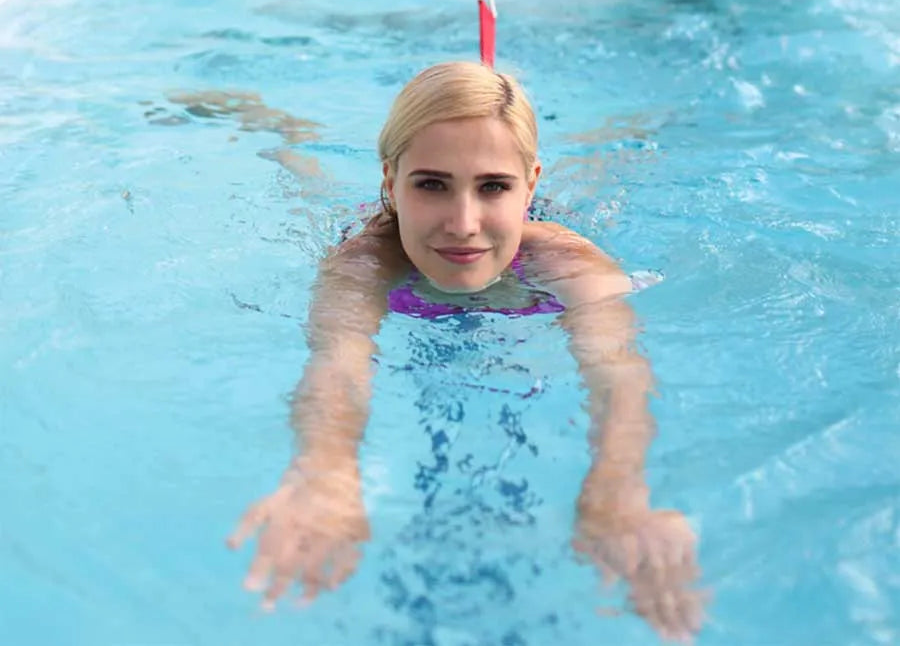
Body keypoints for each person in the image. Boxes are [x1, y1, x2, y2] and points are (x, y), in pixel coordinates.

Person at [227, 61, 704, 641]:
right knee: (296, 159)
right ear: (390, 183)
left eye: (495, 187)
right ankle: (267, 120)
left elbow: (619, 376)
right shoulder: (364, 262)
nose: (463, 223)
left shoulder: (570, 264)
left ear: (530, 185)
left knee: (611, 161)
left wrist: (619, 492)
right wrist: (326, 474)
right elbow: (339, 367)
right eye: (430, 184)